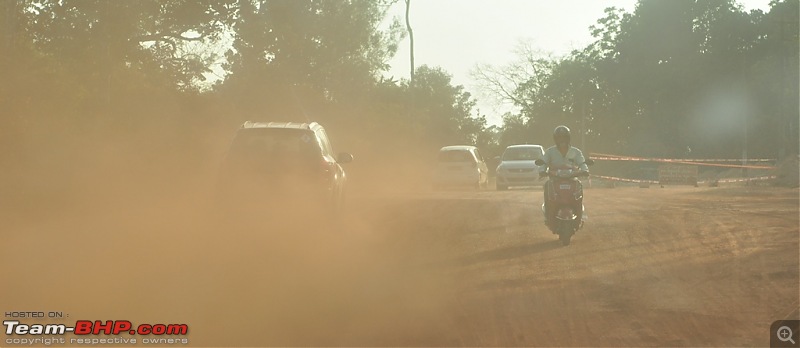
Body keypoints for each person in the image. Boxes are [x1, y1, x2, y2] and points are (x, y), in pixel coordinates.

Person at [539, 125, 589, 229]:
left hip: (572, 180)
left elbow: (582, 163)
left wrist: (585, 170)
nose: (562, 140)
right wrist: (542, 171)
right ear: (555, 139)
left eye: (564, 137)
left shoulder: (576, 152)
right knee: (547, 185)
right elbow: (543, 162)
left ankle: (579, 218)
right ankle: (548, 216)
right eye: (559, 138)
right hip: (555, 180)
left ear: (568, 138)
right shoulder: (550, 152)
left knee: (578, 191)